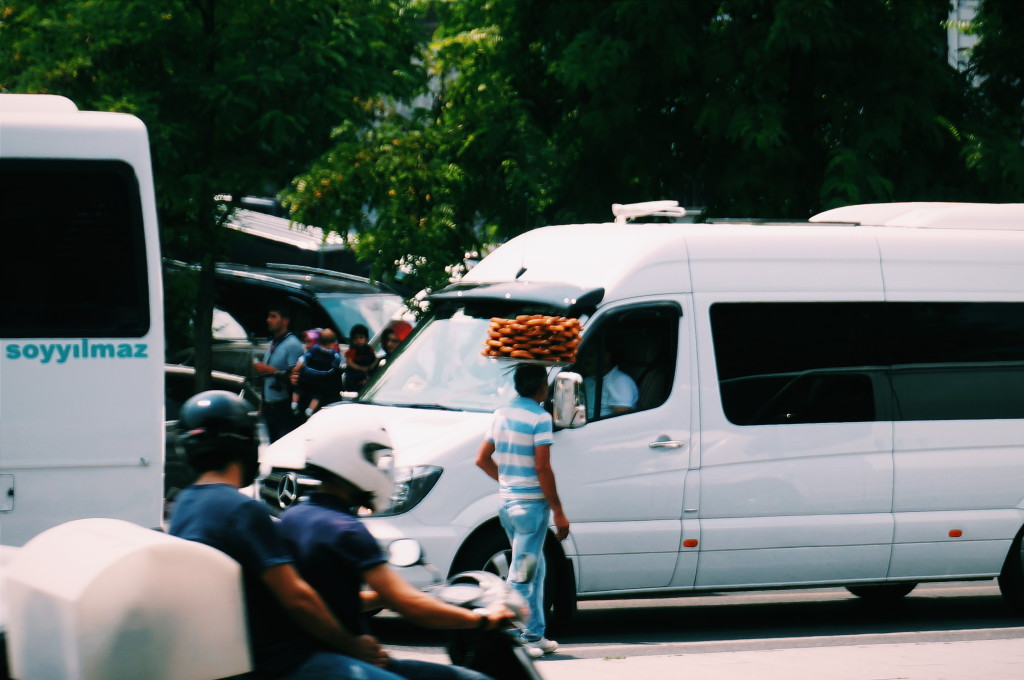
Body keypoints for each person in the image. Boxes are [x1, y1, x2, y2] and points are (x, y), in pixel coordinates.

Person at [168, 390, 401, 680]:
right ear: (247, 444)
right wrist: (352, 645)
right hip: (282, 663)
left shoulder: (184, 505)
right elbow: (297, 598)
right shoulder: (243, 510)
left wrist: (381, 598)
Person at [279, 424, 509, 680]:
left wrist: (382, 598)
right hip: (338, 662)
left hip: (304, 658)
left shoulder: (294, 517)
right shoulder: (347, 531)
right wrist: (482, 619)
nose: (382, 471)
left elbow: (329, 597)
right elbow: (411, 607)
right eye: (376, 461)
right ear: (351, 462)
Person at [474, 364, 569, 658]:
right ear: (541, 387)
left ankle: (535, 633)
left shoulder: (500, 414)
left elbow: (482, 459)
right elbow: (542, 467)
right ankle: (516, 636)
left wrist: (507, 481)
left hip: (508, 505)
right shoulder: (540, 418)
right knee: (522, 572)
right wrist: (558, 511)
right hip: (530, 509)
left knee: (535, 568)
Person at [254, 305, 305, 442]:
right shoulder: (272, 343)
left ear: (285, 321)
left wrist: (267, 369)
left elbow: (295, 378)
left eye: (273, 316)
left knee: (283, 448)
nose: (268, 320)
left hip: (284, 408)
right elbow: (267, 378)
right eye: (268, 316)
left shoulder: (293, 344)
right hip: (269, 406)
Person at [293, 327, 342, 417]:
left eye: (309, 342)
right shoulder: (332, 358)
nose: (306, 345)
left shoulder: (331, 369)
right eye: (305, 342)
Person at [582, 345, 638, 418]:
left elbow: (623, 419)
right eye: (584, 356)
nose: (585, 360)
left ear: (606, 358)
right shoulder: (588, 380)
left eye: (590, 355)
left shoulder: (620, 381)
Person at [343, 323, 378, 392]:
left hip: (368, 370)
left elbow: (375, 358)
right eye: (355, 338)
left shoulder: (369, 349)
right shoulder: (352, 350)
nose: (358, 340)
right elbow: (349, 362)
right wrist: (361, 368)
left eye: (361, 337)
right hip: (355, 373)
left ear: (366, 339)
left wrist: (372, 366)